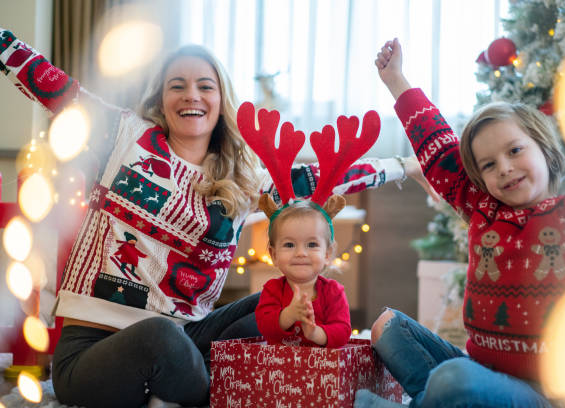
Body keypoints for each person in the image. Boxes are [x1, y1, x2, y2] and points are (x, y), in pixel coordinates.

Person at [0, 27, 435, 408]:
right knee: (162, 339)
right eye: (178, 85)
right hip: (94, 351)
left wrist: (406, 165)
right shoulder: (123, 137)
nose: (192, 95)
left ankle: (225, 383)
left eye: (205, 86)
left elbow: (324, 179)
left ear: (221, 99)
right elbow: (48, 82)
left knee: (279, 297)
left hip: (191, 337)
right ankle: (224, 388)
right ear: (161, 98)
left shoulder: (242, 177)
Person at [354, 38, 565, 408]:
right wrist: (396, 80)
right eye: (488, 165)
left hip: (544, 394)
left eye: (515, 151)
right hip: (481, 369)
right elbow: (437, 146)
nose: (504, 168)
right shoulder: (481, 207)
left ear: (544, 147)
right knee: (388, 327)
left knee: (453, 380)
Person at [255, 197, 350, 348]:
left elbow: (343, 332)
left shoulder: (333, 291)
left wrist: (315, 333)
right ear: (274, 255)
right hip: (279, 367)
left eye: (312, 244)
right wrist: (288, 315)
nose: (300, 253)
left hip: (323, 368)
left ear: (327, 254)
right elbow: (264, 327)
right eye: (289, 244)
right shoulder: (272, 289)